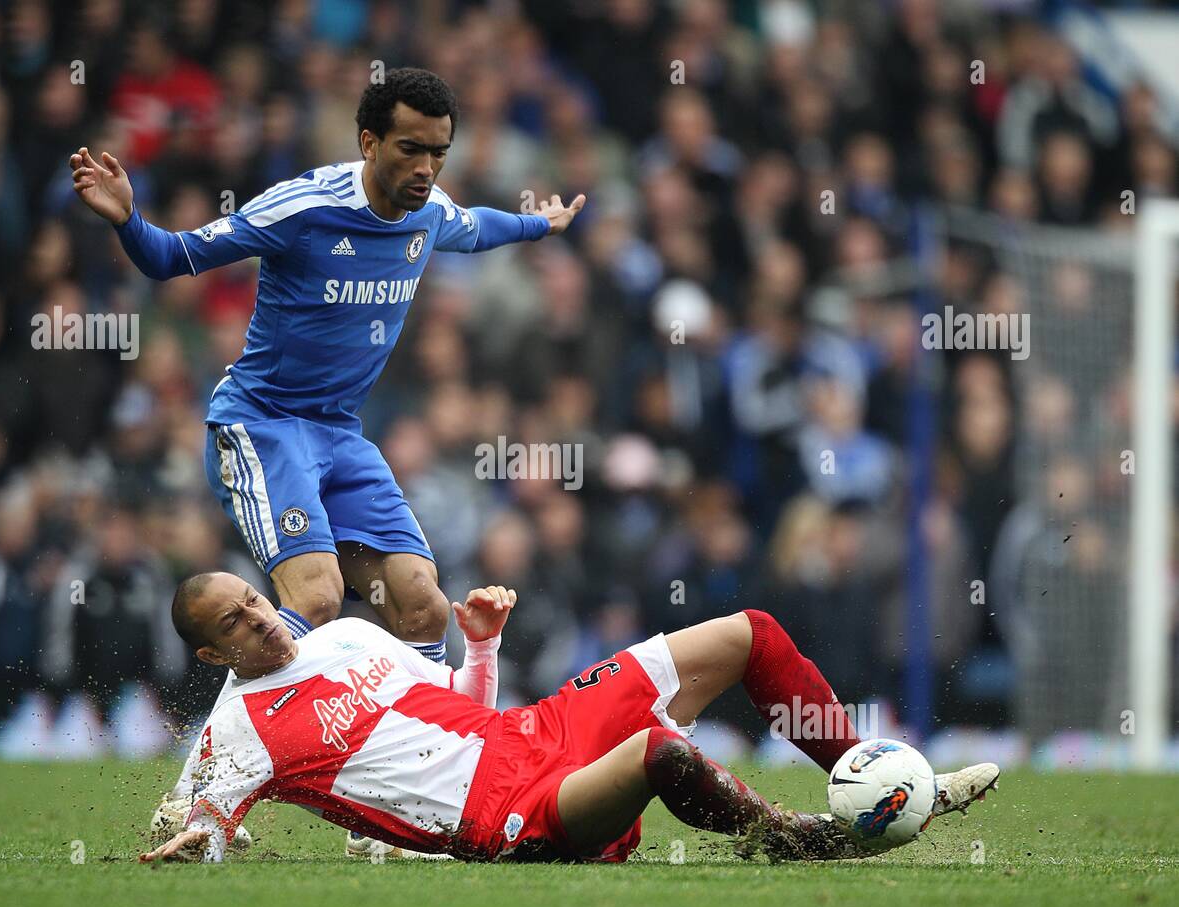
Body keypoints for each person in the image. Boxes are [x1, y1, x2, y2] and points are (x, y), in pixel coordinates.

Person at [69, 67, 585, 668]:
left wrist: (538, 225)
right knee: (316, 599)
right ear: (369, 142)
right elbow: (173, 257)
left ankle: (415, 751)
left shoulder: (429, 212)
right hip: (262, 425)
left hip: (340, 433)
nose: (426, 168)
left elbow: (477, 227)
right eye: (410, 149)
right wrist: (129, 220)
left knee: (424, 605)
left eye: (439, 153)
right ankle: (237, 749)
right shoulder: (304, 207)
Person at [141, 572, 998, 865]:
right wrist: (199, 837)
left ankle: (863, 777)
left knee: (751, 635)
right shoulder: (240, 732)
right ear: (214, 656)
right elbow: (204, 820)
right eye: (234, 625)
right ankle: (817, 838)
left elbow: (464, 709)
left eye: (252, 600)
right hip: (504, 818)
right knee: (661, 754)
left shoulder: (344, 635)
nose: (259, 619)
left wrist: (481, 647)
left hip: (533, 730)